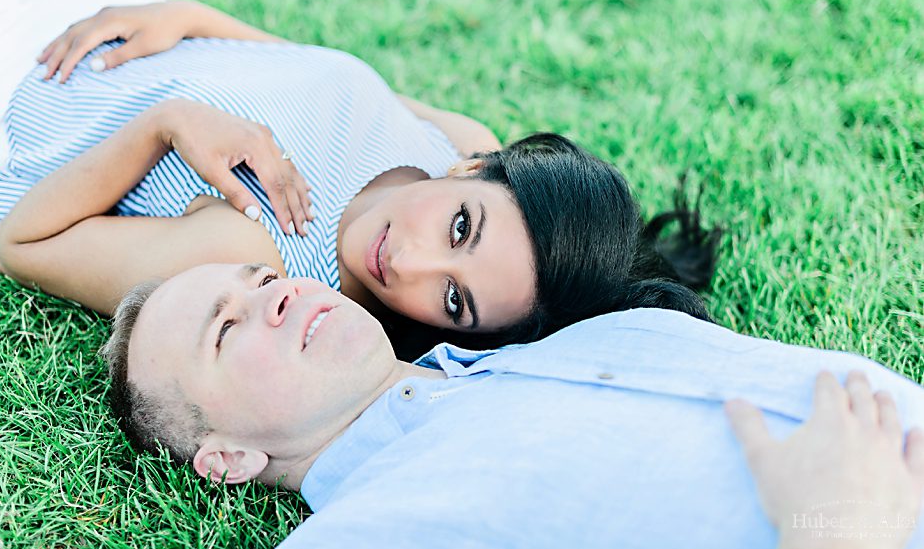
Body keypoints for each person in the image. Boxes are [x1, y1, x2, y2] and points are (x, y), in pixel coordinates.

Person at [0, 0, 720, 357]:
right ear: (479, 169)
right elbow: (302, 70)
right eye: (461, 226)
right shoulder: (454, 140)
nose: (408, 261)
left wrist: (167, 123)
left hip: (15, 90)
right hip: (94, 5)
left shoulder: (260, 261)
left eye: (454, 299)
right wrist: (188, 16)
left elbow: (19, 244)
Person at [103, 262, 924, 549]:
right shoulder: (370, 529)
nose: (274, 298)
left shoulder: (547, 337)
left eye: (261, 278)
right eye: (225, 328)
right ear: (228, 457)